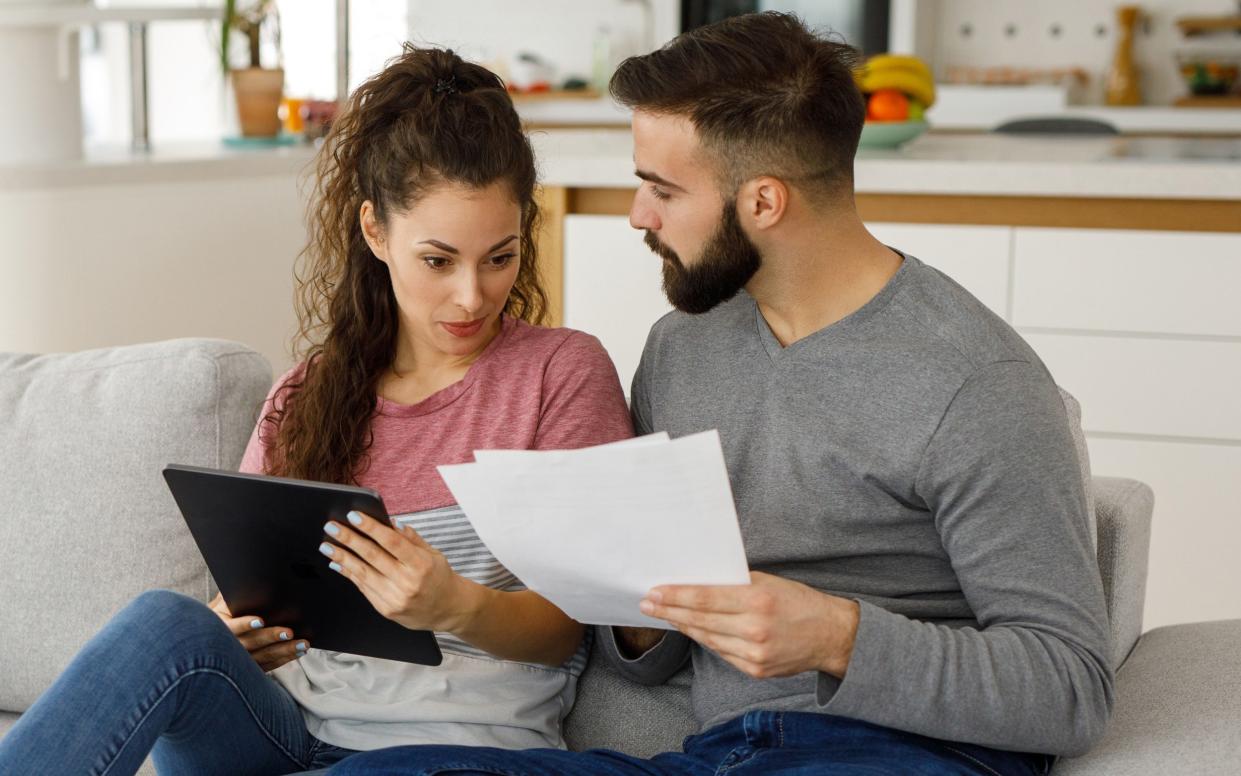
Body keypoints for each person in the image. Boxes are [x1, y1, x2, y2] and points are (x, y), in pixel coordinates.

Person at [327, 12, 1113, 776]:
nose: (638, 214)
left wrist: (839, 636)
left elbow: (1070, 688)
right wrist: (636, 624)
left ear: (763, 202)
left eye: (660, 189)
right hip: (717, 753)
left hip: (894, 753)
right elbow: (638, 645)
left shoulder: (975, 385)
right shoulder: (685, 346)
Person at [0, 45, 632, 776]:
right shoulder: (310, 392)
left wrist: (454, 605)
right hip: (284, 732)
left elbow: (565, 631)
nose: (471, 296)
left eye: (500, 256)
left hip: (454, 751)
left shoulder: (562, 372)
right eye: (438, 260)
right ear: (375, 232)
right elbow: (236, 596)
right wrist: (234, 631)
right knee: (163, 622)